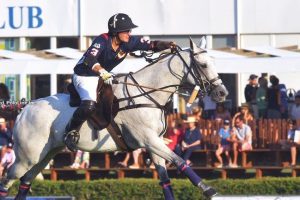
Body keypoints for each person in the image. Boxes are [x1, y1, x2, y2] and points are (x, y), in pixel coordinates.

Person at [64, 13, 176, 151]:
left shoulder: (128, 42)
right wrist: (102, 71)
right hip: (84, 74)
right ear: (116, 32)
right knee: (89, 105)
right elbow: (89, 59)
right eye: (127, 30)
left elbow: (151, 45)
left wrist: (167, 44)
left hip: (101, 76)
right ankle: (70, 132)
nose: (129, 33)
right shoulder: (102, 40)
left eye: (130, 31)